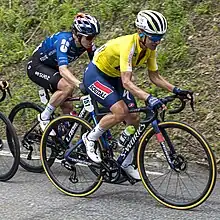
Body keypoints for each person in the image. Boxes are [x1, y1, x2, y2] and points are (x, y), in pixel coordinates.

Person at [82, 10, 192, 179]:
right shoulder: (129, 45)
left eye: (160, 37)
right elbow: (127, 82)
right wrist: (149, 97)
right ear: (141, 33)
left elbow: (155, 77)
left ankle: (126, 163)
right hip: (96, 75)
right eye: (154, 38)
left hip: (115, 77)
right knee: (120, 111)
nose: (158, 41)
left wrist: (176, 90)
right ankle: (90, 138)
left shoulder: (149, 48)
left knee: (134, 118)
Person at [27, 13, 100, 135]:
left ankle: (60, 138)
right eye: (89, 37)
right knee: (67, 86)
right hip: (37, 66)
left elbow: (97, 65)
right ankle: (44, 117)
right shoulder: (64, 41)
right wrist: (79, 84)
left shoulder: (87, 44)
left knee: (68, 108)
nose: (91, 41)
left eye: (94, 37)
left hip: (52, 67)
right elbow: (63, 70)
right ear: (78, 35)